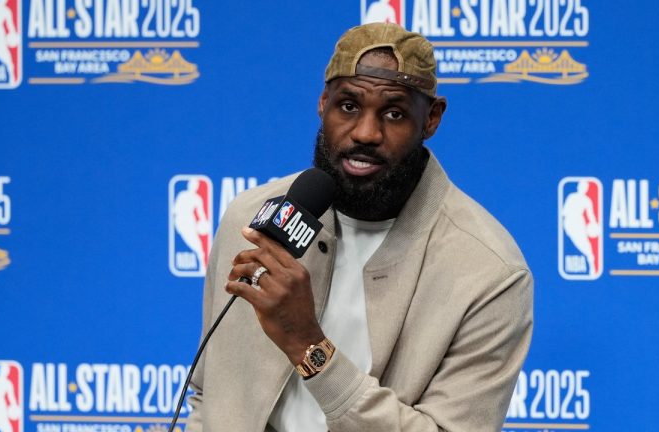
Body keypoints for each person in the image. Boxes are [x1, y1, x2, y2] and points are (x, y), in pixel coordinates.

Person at [185, 22, 533, 432]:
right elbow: (210, 395)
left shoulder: (490, 271)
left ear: (432, 119)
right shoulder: (252, 217)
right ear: (323, 103)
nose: (366, 133)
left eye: (394, 113)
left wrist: (308, 345)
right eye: (348, 106)